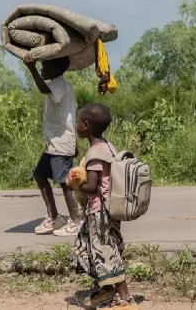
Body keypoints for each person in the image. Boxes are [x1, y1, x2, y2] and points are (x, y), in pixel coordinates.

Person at [68, 103, 137, 310]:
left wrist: (73, 182)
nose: (77, 125)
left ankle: (125, 298)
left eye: (78, 122)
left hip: (99, 211)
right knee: (87, 245)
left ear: (86, 125)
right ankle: (107, 290)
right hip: (109, 210)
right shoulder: (108, 146)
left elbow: (91, 186)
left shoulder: (94, 154)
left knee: (105, 252)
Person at [24, 54, 82, 237]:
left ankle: (76, 221)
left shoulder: (58, 83)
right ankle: (54, 216)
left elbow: (42, 89)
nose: (42, 68)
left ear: (56, 69)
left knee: (66, 182)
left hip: (60, 142)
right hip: (55, 142)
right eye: (40, 66)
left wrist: (31, 67)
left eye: (44, 65)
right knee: (40, 174)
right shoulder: (60, 85)